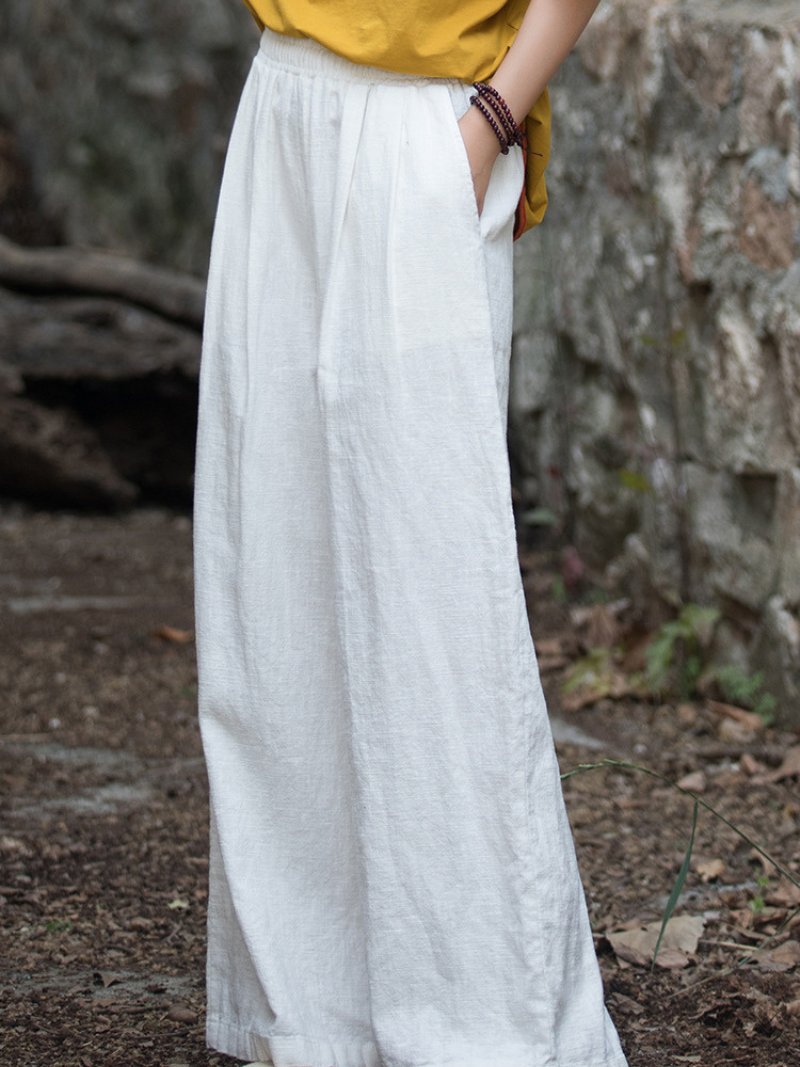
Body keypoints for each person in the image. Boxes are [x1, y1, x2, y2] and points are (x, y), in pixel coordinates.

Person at [193, 2, 630, 1066]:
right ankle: (309, 1018)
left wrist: (485, 120)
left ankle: (490, 1030)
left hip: (424, 122)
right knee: (272, 584)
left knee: (434, 595)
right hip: (285, 99)